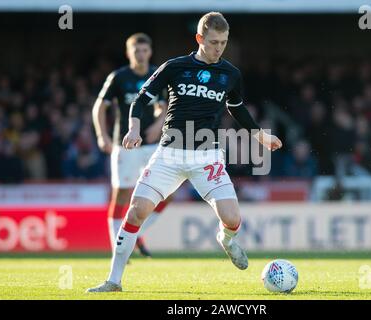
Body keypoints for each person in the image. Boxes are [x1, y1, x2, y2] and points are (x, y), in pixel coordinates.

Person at [87, 12, 282, 292]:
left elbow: (236, 107)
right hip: (169, 155)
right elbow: (141, 99)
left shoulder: (230, 74)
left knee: (232, 219)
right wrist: (133, 129)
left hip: (207, 157)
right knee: (135, 211)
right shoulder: (175, 67)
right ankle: (113, 280)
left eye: (223, 43)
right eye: (213, 42)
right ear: (200, 38)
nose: (219, 48)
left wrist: (259, 135)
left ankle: (225, 240)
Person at [92, 33, 169, 258]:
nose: (141, 55)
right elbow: (99, 107)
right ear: (129, 53)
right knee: (122, 194)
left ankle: (133, 235)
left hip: (152, 144)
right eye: (137, 51)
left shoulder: (157, 75)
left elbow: (163, 106)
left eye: (145, 50)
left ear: (150, 52)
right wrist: (101, 135)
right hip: (125, 144)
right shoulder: (118, 77)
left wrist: (159, 123)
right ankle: (118, 249)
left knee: (166, 192)